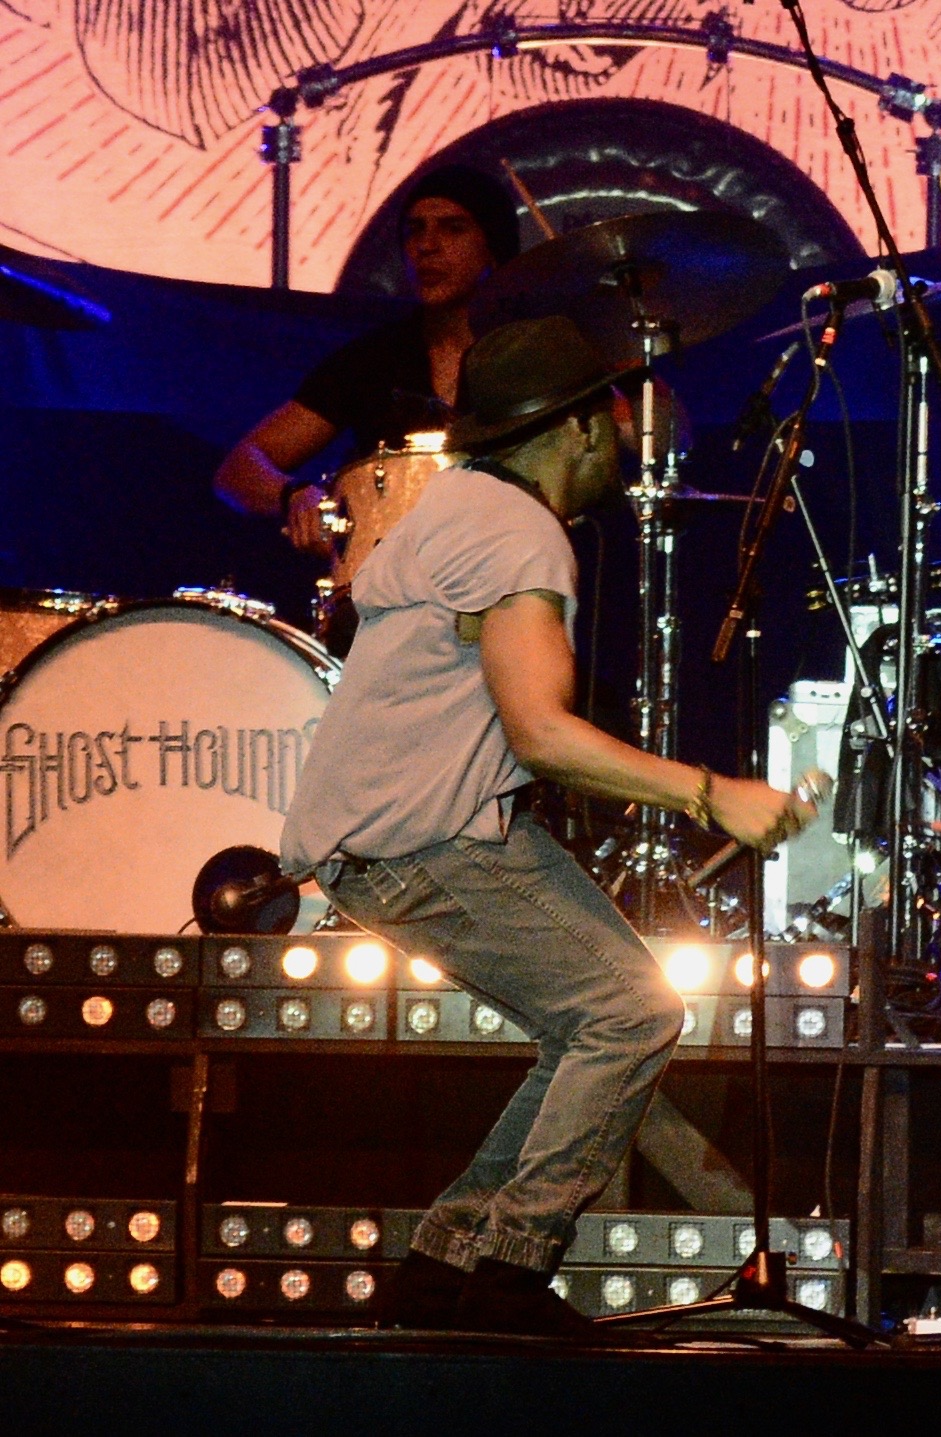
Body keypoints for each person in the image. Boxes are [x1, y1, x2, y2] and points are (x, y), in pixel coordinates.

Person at [279, 314, 814, 1338]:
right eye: (613, 415)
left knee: (593, 1023)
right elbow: (543, 734)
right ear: (575, 428)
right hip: (418, 839)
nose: (624, 435)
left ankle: (447, 1265)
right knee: (631, 1013)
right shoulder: (516, 532)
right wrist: (713, 793)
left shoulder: (460, 503)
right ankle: (509, 1271)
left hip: (396, 835)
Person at [214, 165, 521, 560]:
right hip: (390, 579)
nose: (426, 245)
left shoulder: (533, 352)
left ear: (493, 247)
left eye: (453, 228)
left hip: (509, 568)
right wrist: (295, 495)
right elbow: (239, 468)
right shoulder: (373, 359)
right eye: (415, 230)